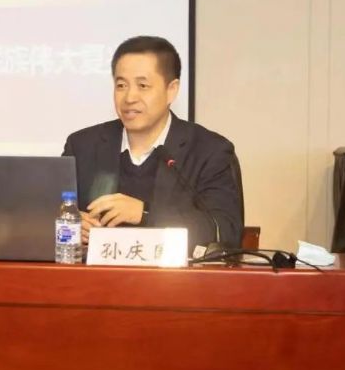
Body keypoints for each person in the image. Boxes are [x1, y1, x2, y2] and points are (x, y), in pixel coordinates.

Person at [62, 35, 243, 254]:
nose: (129, 97)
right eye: (121, 85)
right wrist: (70, 224)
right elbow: (44, 214)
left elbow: (225, 230)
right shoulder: (82, 146)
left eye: (143, 85)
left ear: (171, 90)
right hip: (95, 275)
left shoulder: (209, 151)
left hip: (176, 276)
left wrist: (144, 214)